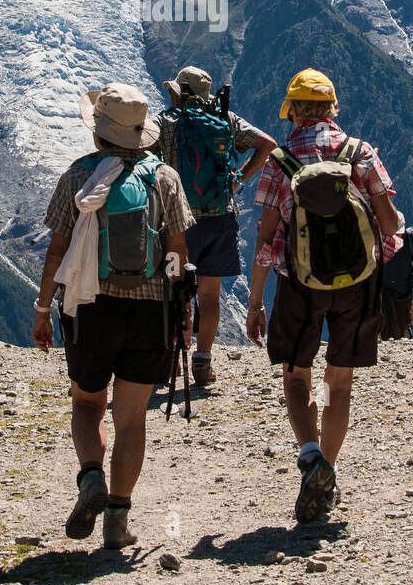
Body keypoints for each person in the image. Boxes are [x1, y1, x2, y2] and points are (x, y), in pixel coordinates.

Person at [33, 82, 194, 549]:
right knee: (131, 419)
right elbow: (178, 253)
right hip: (150, 312)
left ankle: (90, 479)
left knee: (86, 403)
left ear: (99, 132)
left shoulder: (78, 176)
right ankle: (118, 522)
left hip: (90, 307)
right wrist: (181, 313)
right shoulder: (164, 178)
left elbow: (56, 251)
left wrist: (44, 308)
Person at [246, 69, 402, 522]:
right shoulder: (360, 152)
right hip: (358, 283)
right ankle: (329, 470)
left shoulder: (279, 160)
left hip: (300, 283)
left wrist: (257, 302)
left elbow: (265, 238)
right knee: (339, 383)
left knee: (297, 378)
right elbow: (389, 227)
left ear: (293, 110)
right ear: (332, 107)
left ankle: (311, 458)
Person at [156, 65, 275, 387]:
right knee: (210, 296)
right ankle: (203, 364)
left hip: (178, 222)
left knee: (175, 294)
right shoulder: (226, 119)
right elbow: (268, 145)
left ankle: (171, 364)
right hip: (220, 218)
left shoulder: (164, 123)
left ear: (177, 92)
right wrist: (237, 181)